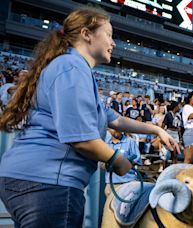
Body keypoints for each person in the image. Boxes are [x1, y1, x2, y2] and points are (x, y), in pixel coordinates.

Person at [0, 7, 179, 227]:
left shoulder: (72, 68)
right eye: (109, 35)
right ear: (86, 34)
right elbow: (81, 139)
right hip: (48, 182)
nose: (113, 43)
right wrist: (117, 160)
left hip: (34, 180)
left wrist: (156, 129)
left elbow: (115, 119)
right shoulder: (71, 67)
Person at [103, 129, 142, 196]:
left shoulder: (130, 142)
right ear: (109, 130)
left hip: (128, 182)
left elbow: (137, 160)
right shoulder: (106, 145)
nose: (116, 130)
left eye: (118, 128)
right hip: (111, 183)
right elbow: (102, 164)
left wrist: (125, 162)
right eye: (113, 128)